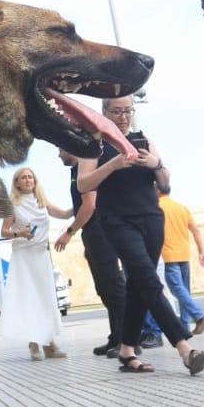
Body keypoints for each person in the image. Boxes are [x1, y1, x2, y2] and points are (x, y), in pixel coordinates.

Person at [75, 97, 204, 376]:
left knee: (138, 284)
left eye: (127, 111)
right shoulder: (94, 144)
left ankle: (126, 351)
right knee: (149, 280)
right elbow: (83, 184)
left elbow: (165, 184)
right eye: (117, 111)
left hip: (151, 218)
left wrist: (156, 164)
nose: (123, 116)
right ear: (105, 112)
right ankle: (185, 348)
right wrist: (111, 166)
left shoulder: (142, 138)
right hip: (117, 221)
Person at [55, 147, 127, 358]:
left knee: (114, 287)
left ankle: (127, 340)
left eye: (61, 151)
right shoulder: (75, 172)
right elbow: (78, 207)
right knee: (105, 289)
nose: (59, 156)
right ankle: (116, 338)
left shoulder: (85, 171)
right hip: (92, 233)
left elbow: (89, 206)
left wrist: (69, 232)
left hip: (101, 231)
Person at [0, 167, 75, 360]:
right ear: (16, 183)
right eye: (23, 178)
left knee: (45, 298)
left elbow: (66, 214)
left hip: (41, 256)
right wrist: (19, 233)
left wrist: (83, 199)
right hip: (23, 256)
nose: (28, 180)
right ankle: (33, 343)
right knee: (30, 299)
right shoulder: (12, 204)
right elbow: (4, 231)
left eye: (30, 177)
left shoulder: (42, 202)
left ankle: (49, 343)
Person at [140, 189, 204, 345]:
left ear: (157, 191)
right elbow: (195, 230)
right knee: (185, 290)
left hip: (168, 256)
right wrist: (201, 252)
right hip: (184, 255)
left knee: (176, 289)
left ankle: (199, 315)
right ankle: (185, 326)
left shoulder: (155, 207)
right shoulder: (181, 208)